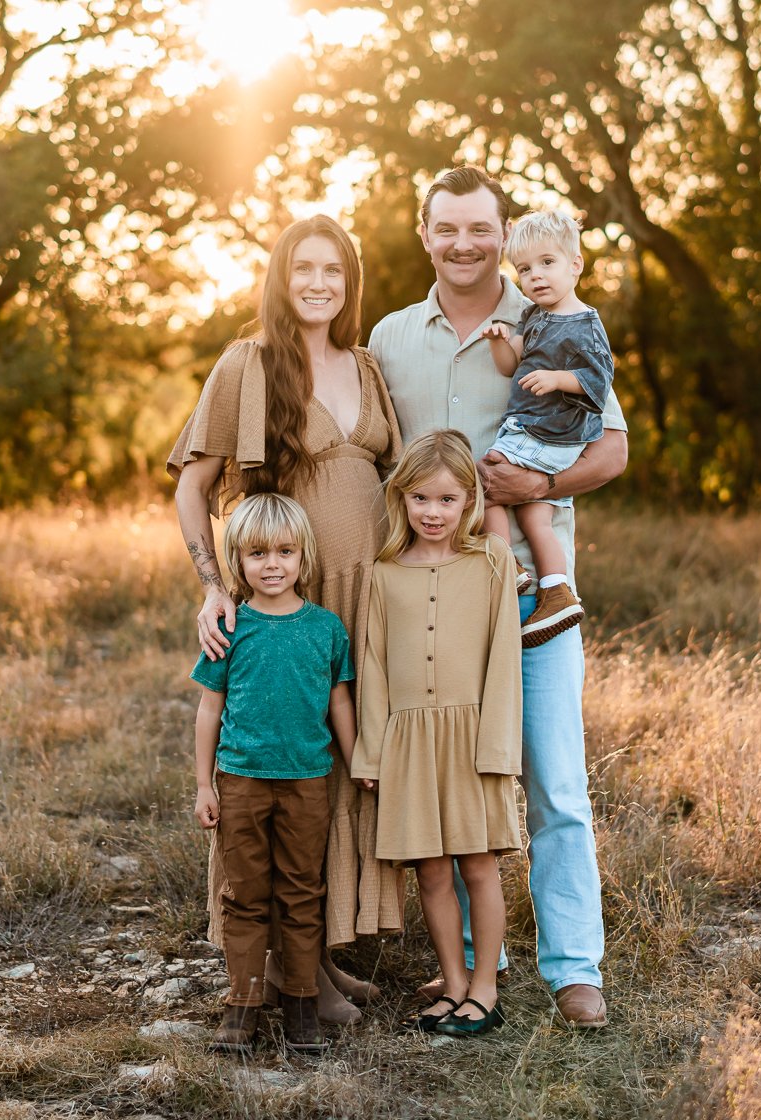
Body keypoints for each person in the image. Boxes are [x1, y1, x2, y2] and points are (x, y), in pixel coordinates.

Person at [368, 166, 627, 1030]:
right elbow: (378, 468)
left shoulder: (550, 318)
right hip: (436, 609)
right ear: (425, 233)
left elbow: (612, 452)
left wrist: (523, 491)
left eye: (481, 228)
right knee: (462, 777)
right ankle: (480, 963)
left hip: (531, 597)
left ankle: (574, 968)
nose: (465, 244)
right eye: (448, 229)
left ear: (503, 229)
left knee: (553, 779)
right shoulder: (392, 336)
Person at [169, 215, 404, 1026]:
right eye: (302, 267)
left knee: (333, 768)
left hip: (362, 602)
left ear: (349, 282)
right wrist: (213, 585)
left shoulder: (367, 367)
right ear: (280, 276)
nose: (317, 283)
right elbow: (193, 487)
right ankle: (271, 968)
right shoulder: (249, 363)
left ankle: (322, 958)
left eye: (332, 270)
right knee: (274, 768)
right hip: (285, 602)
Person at [351, 430, 522, 1038]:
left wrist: (498, 747)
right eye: (420, 498)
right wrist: (371, 751)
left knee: (478, 866)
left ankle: (485, 987)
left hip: (473, 735)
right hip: (409, 743)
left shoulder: (492, 560)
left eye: (448, 500)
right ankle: (451, 983)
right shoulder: (384, 571)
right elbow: (371, 667)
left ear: (469, 501)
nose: (432, 512)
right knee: (429, 870)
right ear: (401, 499)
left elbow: (504, 656)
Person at [191, 493, 356, 1054]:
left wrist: (358, 764)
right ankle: (242, 1005)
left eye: (285, 551)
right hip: (241, 779)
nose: (273, 564)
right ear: (238, 560)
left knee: (302, 892)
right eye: (258, 553)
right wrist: (202, 785)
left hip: (308, 780)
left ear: (303, 556)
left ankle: (302, 1004)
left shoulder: (326, 629)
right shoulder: (231, 626)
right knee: (245, 894)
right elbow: (209, 709)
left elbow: (338, 704)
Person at [479, 209, 615, 646]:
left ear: (575, 265)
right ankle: (556, 589)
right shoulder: (536, 316)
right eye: (524, 269)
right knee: (536, 513)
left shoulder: (585, 324)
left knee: (484, 477)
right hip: (534, 427)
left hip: (551, 431)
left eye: (547, 263)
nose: (535, 276)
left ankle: (504, 566)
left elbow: (598, 381)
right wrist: (501, 341)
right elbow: (509, 366)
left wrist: (559, 379)